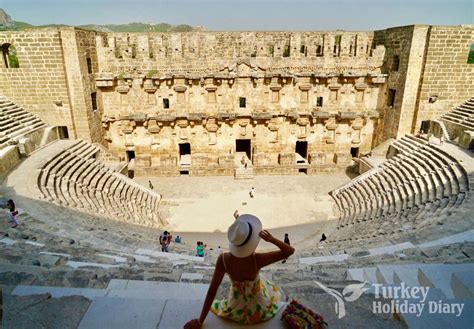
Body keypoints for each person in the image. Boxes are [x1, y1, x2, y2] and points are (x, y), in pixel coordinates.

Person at [184, 214, 295, 328]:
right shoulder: (257, 260)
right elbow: (289, 251)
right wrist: (271, 239)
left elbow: (212, 291)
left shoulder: (223, 260)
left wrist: (200, 321)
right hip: (259, 308)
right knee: (269, 287)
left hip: (235, 307)